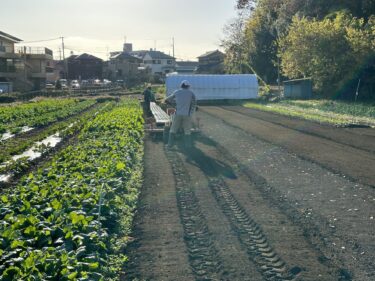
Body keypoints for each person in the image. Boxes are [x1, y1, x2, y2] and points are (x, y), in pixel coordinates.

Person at [165, 80, 196, 149]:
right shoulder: (191, 93)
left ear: (181, 85)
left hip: (178, 113)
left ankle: (170, 145)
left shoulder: (177, 92)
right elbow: (194, 104)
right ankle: (188, 146)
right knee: (187, 130)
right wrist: (191, 112)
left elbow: (166, 100)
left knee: (173, 129)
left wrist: (173, 105)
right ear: (188, 86)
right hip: (187, 115)